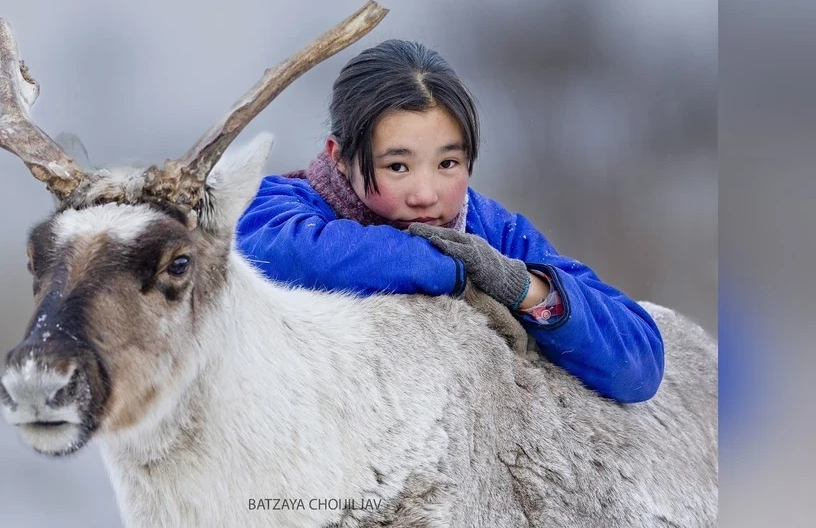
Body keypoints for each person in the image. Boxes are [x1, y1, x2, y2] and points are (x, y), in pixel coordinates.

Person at [235, 39, 663, 404]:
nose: (426, 194)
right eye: (398, 166)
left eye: (448, 163)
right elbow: (267, 256)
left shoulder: (489, 230)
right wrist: (454, 272)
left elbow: (639, 363)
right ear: (340, 158)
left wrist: (524, 288)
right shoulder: (277, 206)